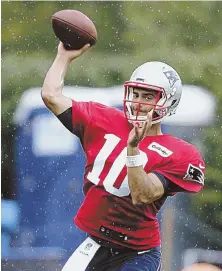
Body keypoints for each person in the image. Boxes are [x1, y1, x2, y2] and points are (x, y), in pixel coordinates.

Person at [41, 42, 205, 271]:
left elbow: (142, 194)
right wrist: (63, 56)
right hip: (96, 244)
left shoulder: (180, 153)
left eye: (147, 96)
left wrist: (133, 148)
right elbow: (51, 95)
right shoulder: (103, 120)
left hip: (136, 253)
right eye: (135, 93)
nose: (138, 102)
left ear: (167, 103)